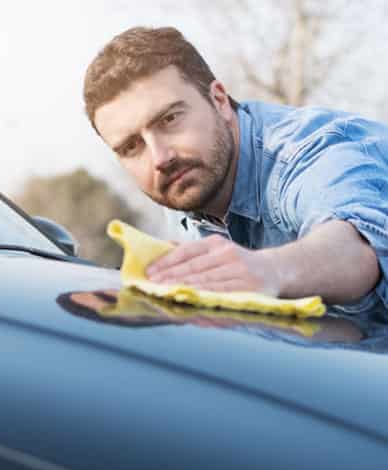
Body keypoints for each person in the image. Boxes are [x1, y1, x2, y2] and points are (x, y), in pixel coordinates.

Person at [83, 26, 388, 313]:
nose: (160, 158)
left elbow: (360, 246)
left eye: (170, 119)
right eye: (132, 146)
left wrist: (268, 270)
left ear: (219, 100)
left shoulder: (304, 152)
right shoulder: (185, 183)